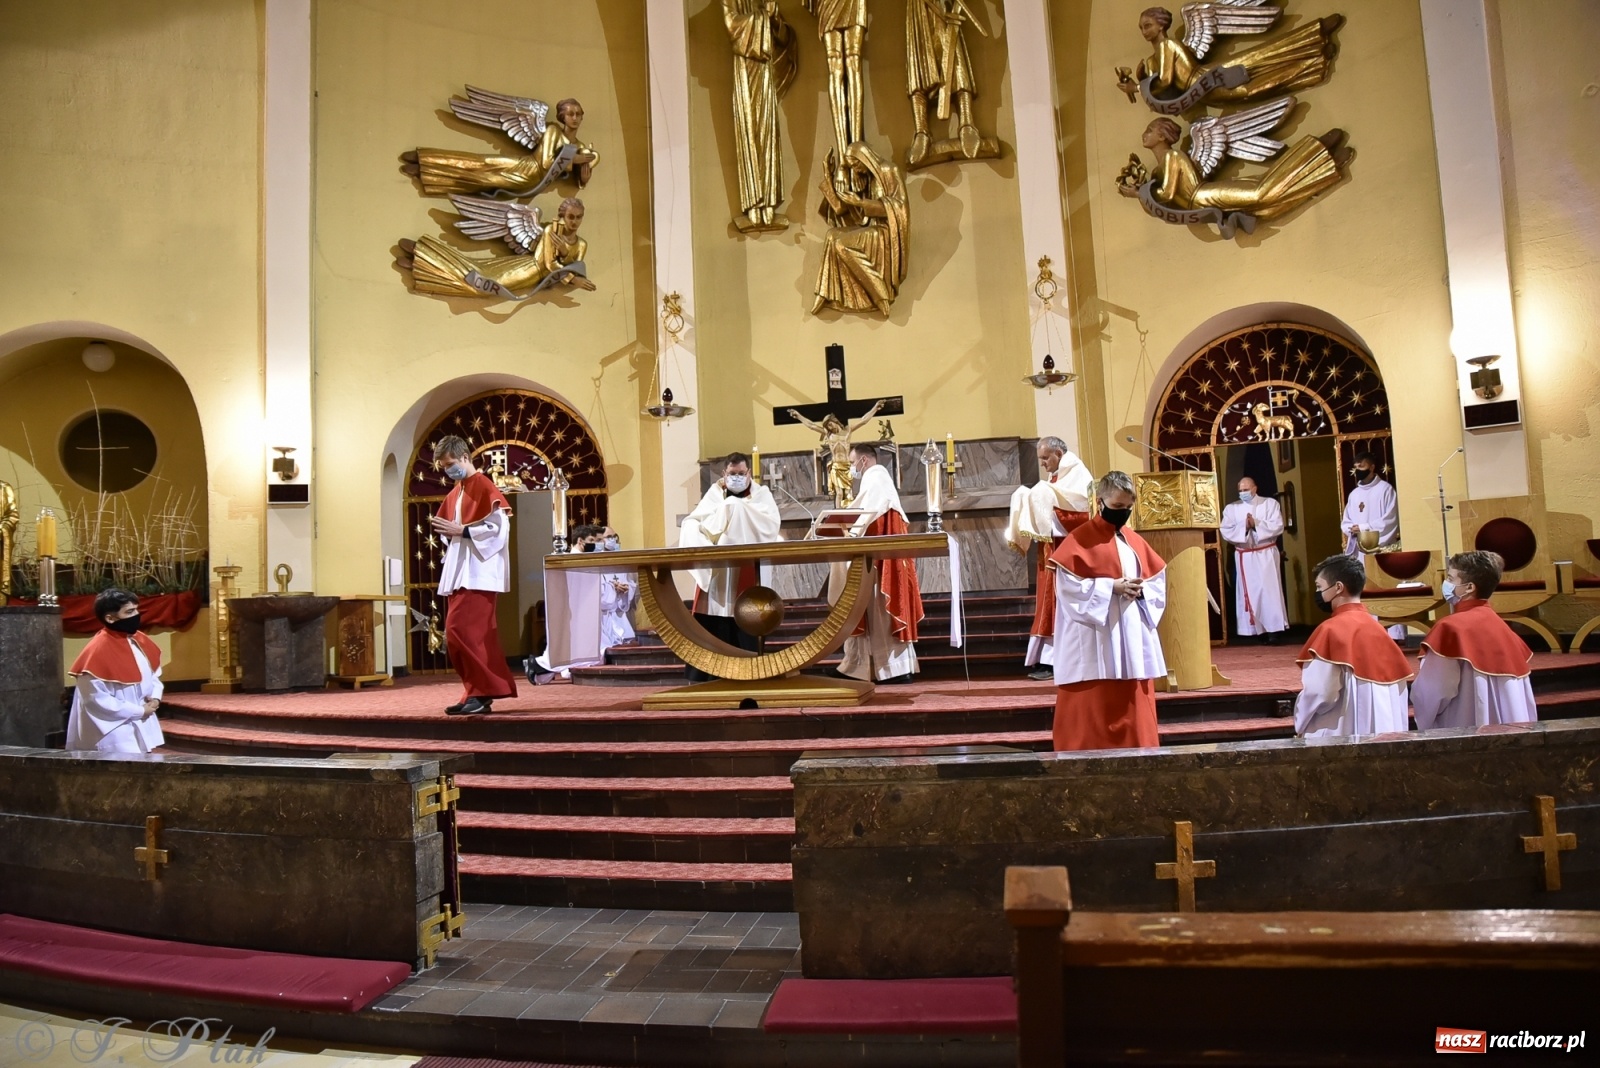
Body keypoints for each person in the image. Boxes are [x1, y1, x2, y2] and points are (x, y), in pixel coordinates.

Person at [1047, 471, 1168, 751]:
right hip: (1094, 638)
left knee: (1133, 699)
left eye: (1127, 508)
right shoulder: (1079, 540)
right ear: (1099, 502)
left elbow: (1156, 582)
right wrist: (1109, 587)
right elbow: (1068, 589)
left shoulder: (1133, 540)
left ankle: (1140, 748)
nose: (1123, 514)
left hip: (1130, 633)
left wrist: (1142, 590)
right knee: (1095, 706)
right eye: (1116, 508)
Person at [430, 436, 518, 715]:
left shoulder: (483, 486)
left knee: (462, 632)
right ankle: (474, 692)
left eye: (451, 464)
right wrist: (449, 531)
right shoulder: (456, 491)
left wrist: (463, 531)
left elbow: (498, 530)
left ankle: (483, 691)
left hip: (478, 572)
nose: (448, 470)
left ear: (465, 457)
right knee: (464, 635)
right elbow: (452, 533)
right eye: (444, 467)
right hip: (460, 572)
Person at [679, 452, 782, 682]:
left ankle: (750, 672)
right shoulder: (715, 494)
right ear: (724, 474)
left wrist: (736, 509)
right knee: (713, 620)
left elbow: (771, 524)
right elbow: (695, 521)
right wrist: (724, 512)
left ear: (748, 473)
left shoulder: (761, 494)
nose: (736, 478)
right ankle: (705, 676)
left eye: (741, 474)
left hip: (748, 567)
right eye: (732, 474)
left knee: (748, 616)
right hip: (718, 573)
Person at [1413, 551, 1538, 730]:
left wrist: (1424, 720)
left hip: (1465, 727)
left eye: (1451, 578)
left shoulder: (1450, 628)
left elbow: (1434, 692)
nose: (1446, 584)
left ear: (1469, 587)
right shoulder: (1505, 630)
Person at [1294, 554, 1414, 738]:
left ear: (1338, 587)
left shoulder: (1331, 630)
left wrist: (1300, 719)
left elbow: (1322, 692)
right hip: (1386, 730)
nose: (1318, 593)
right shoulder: (1380, 630)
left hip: (1343, 731)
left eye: (1320, 587)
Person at [1005, 437, 1094, 679]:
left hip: (1068, 554)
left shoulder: (1078, 474)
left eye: (1046, 458)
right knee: (1047, 603)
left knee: (1061, 604)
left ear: (1058, 453)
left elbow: (1084, 514)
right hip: (1050, 550)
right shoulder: (1055, 477)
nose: (1043, 464)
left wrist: (1044, 509)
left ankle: (1060, 660)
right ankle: (1046, 659)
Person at [836, 442, 924, 683]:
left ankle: (889, 669)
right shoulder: (878, 481)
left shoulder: (875, 479)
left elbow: (864, 519)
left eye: (853, 463)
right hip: (880, 559)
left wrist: (843, 526)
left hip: (879, 561)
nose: (852, 469)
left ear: (864, 461)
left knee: (879, 611)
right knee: (875, 612)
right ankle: (880, 668)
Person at [65, 589, 165, 753]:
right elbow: (96, 699)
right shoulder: (97, 651)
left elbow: (154, 674)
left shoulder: (138, 640)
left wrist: (155, 697)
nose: (137, 615)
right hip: (113, 728)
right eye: (130, 612)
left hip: (142, 718)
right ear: (110, 618)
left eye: (136, 609)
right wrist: (139, 711)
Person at [527, 524, 606, 686]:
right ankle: (539, 665)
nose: (594, 544)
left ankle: (541, 667)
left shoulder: (584, 558)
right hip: (573, 608)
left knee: (576, 644)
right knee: (567, 644)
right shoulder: (572, 558)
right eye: (591, 540)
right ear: (580, 541)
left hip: (581, 607)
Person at [1341, 450, 1405, 639]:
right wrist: (1351, 529)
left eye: (1361, 466)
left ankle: (1393, 632)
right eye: (1356, 467)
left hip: (1381, 551)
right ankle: (1368, 629)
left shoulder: (1385, 490)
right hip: (1361, 551)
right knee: (1364, 590)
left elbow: (1390, 521)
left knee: (1384, 587)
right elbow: (1346, 521)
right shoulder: (1354, 494)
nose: (1358, 470)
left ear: (1372, 467)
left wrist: (1362, 527)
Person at [1220, 476, 1289, 644]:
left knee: (1268, 591)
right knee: (1250, 592)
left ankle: (1273, 631)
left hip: (1265, 553)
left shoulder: (1270, 504)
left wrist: (1256, 523)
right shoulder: (1231, 508)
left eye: (1246, 490)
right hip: (1245, 555)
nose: (1243, 493)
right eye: (1241, 490)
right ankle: (1256, 630)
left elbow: (1278, 525)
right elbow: (1225, 530)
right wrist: (1244, 526)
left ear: (1255, 488)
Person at [598, 526, 638, 652]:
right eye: (609, 537)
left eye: (615, 536)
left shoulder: (621, 559)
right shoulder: (595, 560)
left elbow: (631, 582)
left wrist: (626, 590)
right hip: (603, 618)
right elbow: (597, 591)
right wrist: (613, 588)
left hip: (620, 616)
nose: (613, 540)